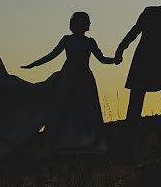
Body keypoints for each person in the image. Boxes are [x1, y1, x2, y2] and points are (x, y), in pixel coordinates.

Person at [22, 12, 118, 152]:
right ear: (82, 24)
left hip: (78, 78)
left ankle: (81, 141)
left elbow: (102, 59)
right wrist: (36, 64)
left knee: (79, 109)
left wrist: (114, 60)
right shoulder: (75, 41)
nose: (90, 24)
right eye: (88, 21)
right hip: (73, 78)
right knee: (66, 108)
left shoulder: (86, 41)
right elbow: (52, 55)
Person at [115, 0, 161, 119]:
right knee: (137, 98)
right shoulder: (150, 12)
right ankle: (130, 130)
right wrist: (121, 48)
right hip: (143, 60)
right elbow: (135, 30)